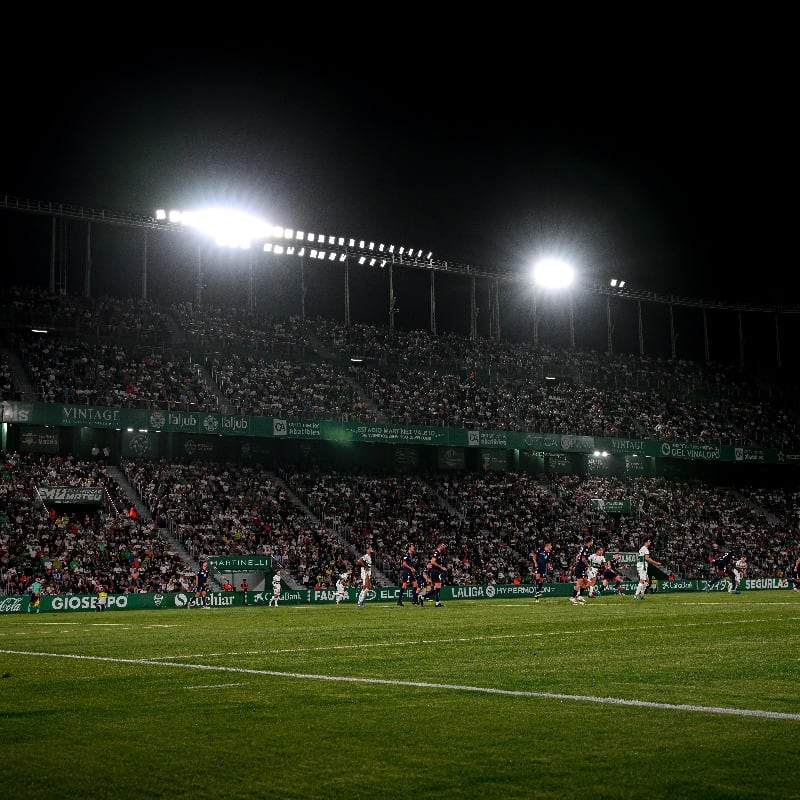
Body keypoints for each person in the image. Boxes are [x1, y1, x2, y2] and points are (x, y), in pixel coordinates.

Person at [569, 536, 593, 605]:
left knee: (586, 583)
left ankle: (580, 596)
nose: (592, 542)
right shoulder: (585, 549)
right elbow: (583, 559)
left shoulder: (583, 548)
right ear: (590, 542)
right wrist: (588, 566)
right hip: (580, 568)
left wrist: (577, 563)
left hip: (581, 567)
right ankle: (572, 597)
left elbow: (577, 556)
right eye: (592, 541)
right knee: (580, 582)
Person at [425, 542, 447, 607]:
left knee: (436, 588)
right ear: (439, 546)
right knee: (438, 587)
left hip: (436, 571)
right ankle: (437, 603)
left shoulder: (439, 554)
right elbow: (432, 562)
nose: (444, 546)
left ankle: (423, 597)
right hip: (435, 571)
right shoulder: (436, 553)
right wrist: (441, 567)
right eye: (443, 545)